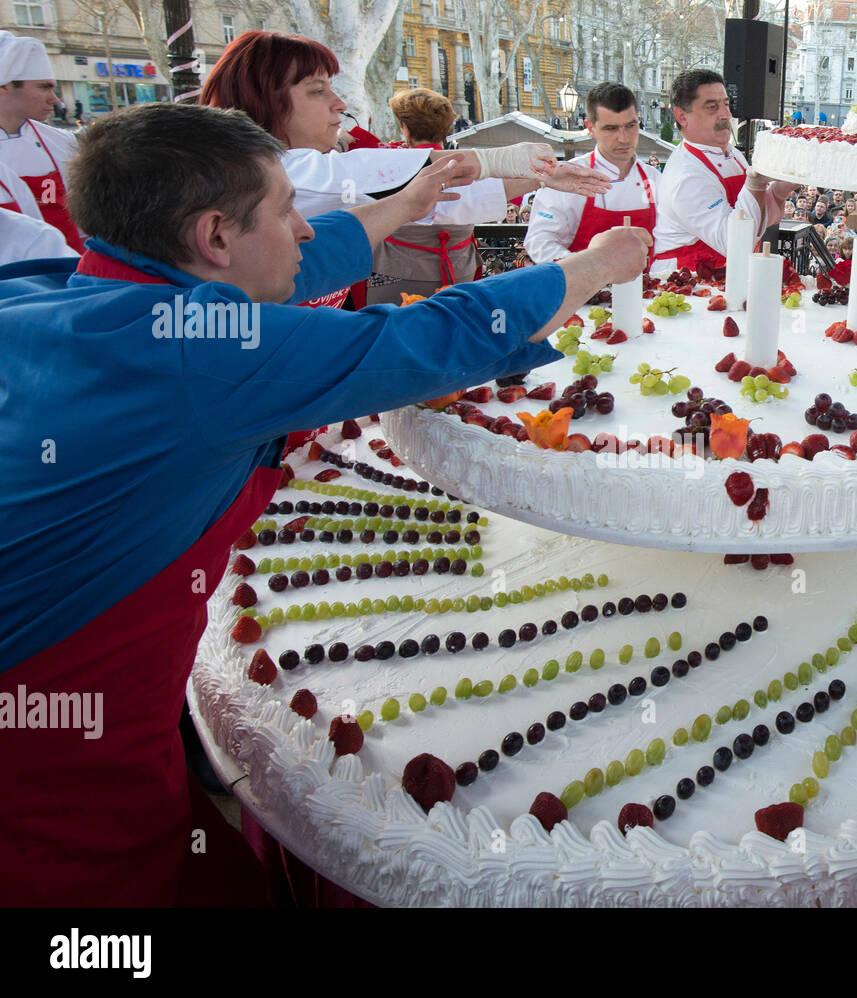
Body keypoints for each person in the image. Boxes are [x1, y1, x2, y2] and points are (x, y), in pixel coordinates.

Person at [0, 101, 652, 906]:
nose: (309, 230)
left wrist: (406, 205)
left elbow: (277, 269)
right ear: (213, 236)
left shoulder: (55, 292)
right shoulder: (196, 360)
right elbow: (425, 341)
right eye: (288, 212)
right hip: (50, 770)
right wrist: (590, 268)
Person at [200, 32, 609, 307]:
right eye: (317, 91)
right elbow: (364, 176)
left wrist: (539, 174)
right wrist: (500, 159)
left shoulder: (310, 167)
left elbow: (436, 200)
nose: (339, 104)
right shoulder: (267, 174)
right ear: (265, 100)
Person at [652, 69, 795, 273]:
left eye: (726, 104)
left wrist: (778, 192)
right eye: (712, 107)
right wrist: (756, 184)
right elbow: (733, 242)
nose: (726, 115)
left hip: (726, 273)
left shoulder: (731, 153)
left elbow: (755, 223)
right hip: (686, 281)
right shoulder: (686, 175)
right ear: (682, 116)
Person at [366, 88, 486, 301]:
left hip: (396, 274)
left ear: (405, 129)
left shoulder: (387, 167)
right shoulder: (470, 164)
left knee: (393, 330)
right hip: (460, 272)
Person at [525, 82, 660, 265]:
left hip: (648, 290)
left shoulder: (656, 180)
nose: (624, 138)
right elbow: (540, 242)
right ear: (590, 128)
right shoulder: (566, 177)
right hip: (585, 289)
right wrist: (590, 268)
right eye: (611, 128)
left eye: (630, 125)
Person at [0, 30, 84, 251]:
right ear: (4, 87)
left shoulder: (63, 143)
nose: (54, 99)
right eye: (43, 87)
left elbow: (86, 222)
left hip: (70, 270)